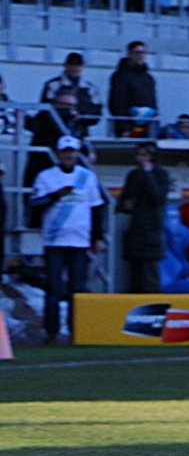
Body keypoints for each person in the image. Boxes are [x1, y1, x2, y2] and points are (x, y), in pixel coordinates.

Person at [29, 137, 106, 343]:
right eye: (65, 151)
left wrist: (97, 237)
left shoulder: (86, 177)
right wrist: (56, 196)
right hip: (54, 240)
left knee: (77, 288)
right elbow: (34, 203)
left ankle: (76, 330)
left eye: (72, 151)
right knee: (53, 287)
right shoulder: (46, 176)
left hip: (79, 240)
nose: (69, 155)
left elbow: (96, 208)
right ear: (57, 152)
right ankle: (51, 331)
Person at [116, 141, 170, 293]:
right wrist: (126, 204)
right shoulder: (133, 175)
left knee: (150, 278)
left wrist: (148, 174)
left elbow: (158, 198)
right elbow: (123, 198)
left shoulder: (160, 175)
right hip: (134, 231)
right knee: (135, 278)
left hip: (151, 232)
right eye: (139, 155)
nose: (140, 159)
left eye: (144, 155)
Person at [40, 52, 102, 131]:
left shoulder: (91, 88)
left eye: (78, 64)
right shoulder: (53, 85)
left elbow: (96, 114)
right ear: (65, 65)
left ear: (83, 66)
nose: (74, 67)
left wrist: (80, 116)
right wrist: (68, 115)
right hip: (55, 131)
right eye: (71, 64)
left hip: (81, 131)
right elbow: (46, 109)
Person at [108, 40, 157, 138]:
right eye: (138, 52)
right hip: (129, 128)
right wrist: (124, 128)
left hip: (148, 127)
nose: (141, 55)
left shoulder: (149, 78)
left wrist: (155, 119)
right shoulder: (120, 76)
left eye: (143, 52)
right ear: (130, 54)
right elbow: (117, 103)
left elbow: (153, 102)